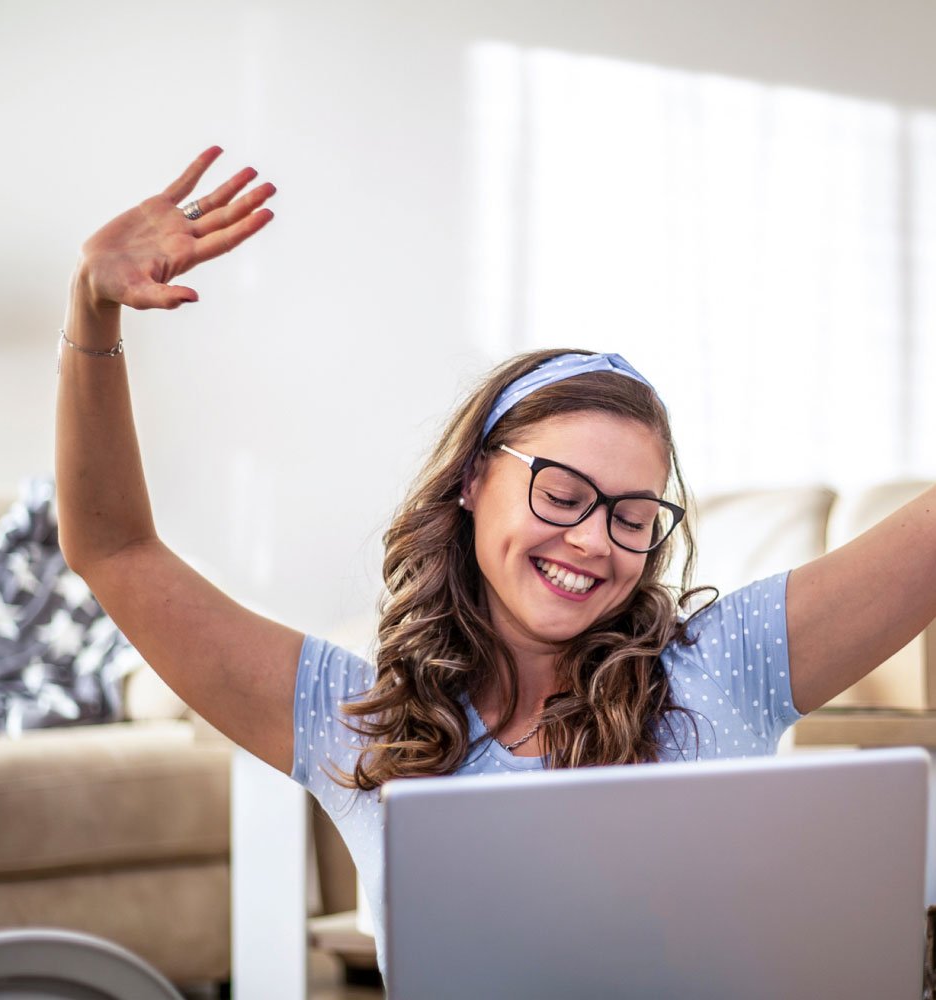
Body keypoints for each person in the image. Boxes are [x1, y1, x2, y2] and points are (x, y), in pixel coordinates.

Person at [55, 147, 936, 969]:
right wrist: (92, 309)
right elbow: (115, 551)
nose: (593, 541)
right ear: (476, 479)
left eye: (633, 516)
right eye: (561, 495)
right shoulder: (357, 725)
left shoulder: (726, 668)